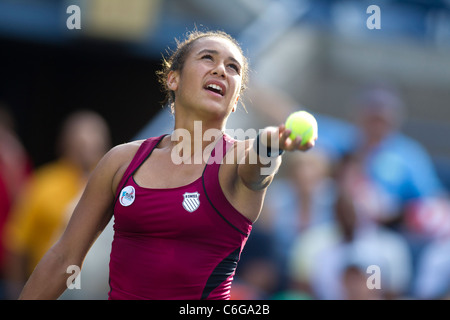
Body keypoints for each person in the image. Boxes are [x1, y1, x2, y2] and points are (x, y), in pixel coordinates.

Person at [17, 29, 315, 300]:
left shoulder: (238, 159)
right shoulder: (121, 160)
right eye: (207, 58)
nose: (221, 70)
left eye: (233, 67)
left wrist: (271, 145)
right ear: (173, 78)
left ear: (235, 99)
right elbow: (63, 258)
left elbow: (259, 169)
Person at [3, 110, 111, 299]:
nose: (87, 148)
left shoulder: (115, 185)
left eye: (95, 141)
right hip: (51, 289)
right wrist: (16, 289)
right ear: (64, 144)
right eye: (80, 143)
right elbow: (17, 243)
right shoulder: (43, 185)